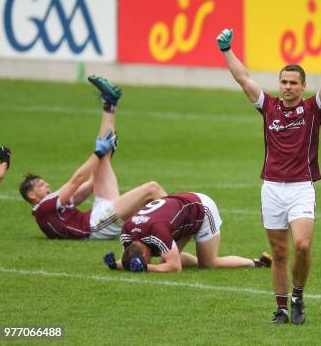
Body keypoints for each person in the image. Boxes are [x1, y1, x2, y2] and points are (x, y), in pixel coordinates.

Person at [216, 28, 321, 324]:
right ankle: (282, 308)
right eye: (283, 82)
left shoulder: (314, 109)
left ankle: (298, 296)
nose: (287, 87)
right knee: (278, 252)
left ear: (302, 86)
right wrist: (226, 50)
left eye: (293, 83)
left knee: (302, 245)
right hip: (271, 188)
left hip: (302, 188)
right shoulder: (268, 107)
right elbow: (243, 78)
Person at [19, 76, 167, 240]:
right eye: (40, 184)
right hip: (95, 226)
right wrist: (97, 153)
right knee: (151, 188)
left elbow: (87, 187)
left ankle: (110, 103)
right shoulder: (44, 208)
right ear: (32, 195)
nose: (46, 183)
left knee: (103, 159)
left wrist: (106, 154)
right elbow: (76, 180)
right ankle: (181, 218)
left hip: (97, 214)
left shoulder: (53, 205)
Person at [103, 192, 273, 272]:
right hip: (183, 215)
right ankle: (200, 255)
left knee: (209, 264)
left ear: (146, 252)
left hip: (202, 210)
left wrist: (147, 268)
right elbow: (129, 256)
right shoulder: (126, 233)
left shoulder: (157, 232)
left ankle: (257, 262)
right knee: (165, 258)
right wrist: (116, 265)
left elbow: (175, 267)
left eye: (146, 259)